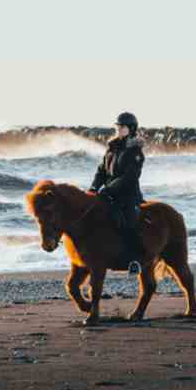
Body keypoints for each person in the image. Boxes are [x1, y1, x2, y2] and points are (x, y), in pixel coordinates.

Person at [88, 112, 145, 275]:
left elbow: (129, 177)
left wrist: (108, 189)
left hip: (128, 195)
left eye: (122, 126)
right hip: (109, 193)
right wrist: (94, 187)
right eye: (118, 126)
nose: (119, 129)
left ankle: (134, 260)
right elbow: (101, 171)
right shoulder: (112, 148)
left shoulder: (135, 152)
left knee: (129, 222)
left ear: (131, 129)